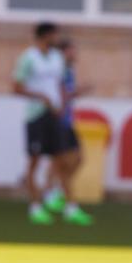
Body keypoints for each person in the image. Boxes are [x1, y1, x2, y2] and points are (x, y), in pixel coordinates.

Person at [13, 22, 85, 225]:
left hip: (55, 115)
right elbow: (16, 87)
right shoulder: (28, 58)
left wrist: (62, 104)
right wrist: (41, 97)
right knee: (34, 161)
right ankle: (35, 207)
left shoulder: (56, 58)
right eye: (54, 35)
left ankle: (70, 207)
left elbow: (61, 84)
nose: (57, 39)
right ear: (45, 36)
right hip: (36, 115)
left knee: (64, 160)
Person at [43, 38, 94, 226]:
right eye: (71, 51)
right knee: (63, 162)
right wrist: (80, 91)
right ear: (63, 53)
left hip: (67, 121)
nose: (75, 54)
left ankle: (51, 192)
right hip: (58, 121)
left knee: (75, 160)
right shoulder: (59, 70)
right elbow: (62, 95)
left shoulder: (68, 70)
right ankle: (70, 206)